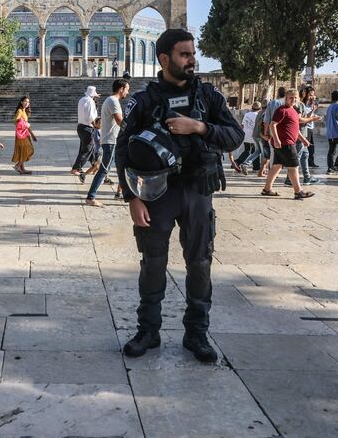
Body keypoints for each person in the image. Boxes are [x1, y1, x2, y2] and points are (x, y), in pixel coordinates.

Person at [116, 29, 243, 362]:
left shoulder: (208, 97)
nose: (191, 60)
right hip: (156, 194)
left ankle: (197, 334)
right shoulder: (144, 101)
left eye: (192, 53)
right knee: (153, 264)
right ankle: (148, 332)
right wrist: (132, 198)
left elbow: (235, 136)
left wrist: (199, 127)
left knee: (200, 263)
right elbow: (121, 150)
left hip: (198, 191)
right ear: (164, 58)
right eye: (184, 54)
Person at [261, 90, 315, 200]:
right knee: (293, 167)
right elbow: (272, 125)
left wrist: (303, 139)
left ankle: (267, 189)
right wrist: (276, 140)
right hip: (285, 144)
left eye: (295, 98)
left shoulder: (293, 110)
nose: (293, 100)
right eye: (291, 97)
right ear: (286, 98)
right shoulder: (281, 110)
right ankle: (298, 192)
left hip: (285, 143)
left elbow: (295, 127)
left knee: (276, 166)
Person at [86, 79, 129, 206]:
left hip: (112, 140)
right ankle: (91, 197)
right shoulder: (113, 101)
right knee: (104, 169)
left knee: (122, 167)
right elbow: (120, 121)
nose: (128, 91)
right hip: (111, 141)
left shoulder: (112, 101)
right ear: (121, 89)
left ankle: (121, 193)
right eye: (127, 88)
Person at [72, 86, 99, 174]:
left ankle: (95, 165)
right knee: (87, 149)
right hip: (87, 127)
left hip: (80, 126)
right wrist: (96, 125)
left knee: (87, 147)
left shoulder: (82, 99)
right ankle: (76, 168)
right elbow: (90, 116)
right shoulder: (90, 101)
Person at [12, 96, 37, 174]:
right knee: (29, 150)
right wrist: (21, 122)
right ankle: (17, 165)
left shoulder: (24, 111)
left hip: (25, 134)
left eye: (28, 102)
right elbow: (15, 121)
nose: (27, 103)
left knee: (23, 151)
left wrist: (32, 135)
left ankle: (22, 169)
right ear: (21, 102)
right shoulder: (19, 111)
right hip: (21, 135)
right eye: (25, 101)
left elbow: (26, 124)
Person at [234, 101, 260, 174]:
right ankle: (238, 162)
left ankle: (256, 166)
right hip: (253, 135)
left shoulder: (247, 114)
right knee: (253, 151)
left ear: (252, 107)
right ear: (259, 108)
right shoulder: (258, 115)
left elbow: (242, 125)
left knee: (251, 150)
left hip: (246, 134)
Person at [79, 117, 103, 183]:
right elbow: (99, 141)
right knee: (97, 166)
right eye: (100, 123)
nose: (102, 124)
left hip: (100, 151)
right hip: (98, 151)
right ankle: (83, 175)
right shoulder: (96, 131)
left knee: (99, 166)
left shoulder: (99, 130)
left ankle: (104, 178)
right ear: (96, 124)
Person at [301, 86, 320, 168]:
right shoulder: (303, 105)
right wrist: (313, 113)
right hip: (306, 128)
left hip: (310, 127)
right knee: (305, 146)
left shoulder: (310, 104)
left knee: (311, 147)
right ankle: (303, 163)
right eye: (311, 94)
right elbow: (305, 117)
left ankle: (311, 162)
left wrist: (314, 114)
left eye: (313, 94)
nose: (313, 96)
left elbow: (310, 116)